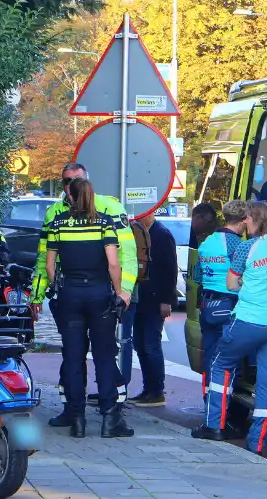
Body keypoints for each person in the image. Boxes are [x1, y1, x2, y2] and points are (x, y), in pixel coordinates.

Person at [31, 163, 137, 425]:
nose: (71, 186)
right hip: (92, 293)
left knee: (92, 354)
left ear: (86, 181)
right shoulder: (55, 212)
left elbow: (127, 255)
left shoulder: (110, 208)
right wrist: (38, 294)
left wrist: (124, 291)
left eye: (76, 180)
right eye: (66, 181)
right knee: (79, 355)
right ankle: (76, 412)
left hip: (90, 294)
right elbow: (43, 257)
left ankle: (106, 412)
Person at [192, 202, 267, 456]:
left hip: (248, 320)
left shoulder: (247, 247)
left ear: (257, 220)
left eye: (249, 220)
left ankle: (214, 425)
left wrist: (248, 284)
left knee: (220, 364)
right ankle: (257, 444)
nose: (245, 224)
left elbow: (232, 283)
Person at [195, 201, 248, 396]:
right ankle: (224, 409)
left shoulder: (207, 242)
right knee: (228, 359)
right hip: (229, 304)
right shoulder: (237, 244)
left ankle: (209, 400)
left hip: (208, 304)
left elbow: (199, 276)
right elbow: (243, 276)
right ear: (242, 222)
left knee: (209, 355)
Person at [128, 212, 177, 407]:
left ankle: (157, 391)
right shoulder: (140, 232)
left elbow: (170, 270)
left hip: (155, 299)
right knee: (140, 344)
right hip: (142, 299)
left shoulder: (162, 234)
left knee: (150, 344)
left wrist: (166, 300)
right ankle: (148, 389)